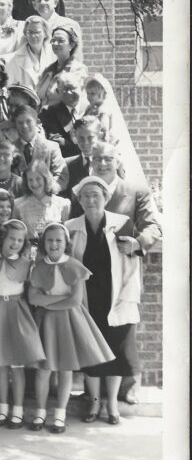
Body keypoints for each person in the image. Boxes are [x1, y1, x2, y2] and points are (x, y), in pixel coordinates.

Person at [67, 177, 144, 425]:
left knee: (115, 353)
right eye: (86, 195)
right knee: (90, 351)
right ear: (79, 200)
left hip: (116, 298)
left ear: (106, 197)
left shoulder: (122, 224)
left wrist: (127, 298)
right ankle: (94, 402)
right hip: (86, 299)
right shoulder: (70, 227)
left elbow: (133, 265)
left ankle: (111, 404)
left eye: (96, 195)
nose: (91, 200)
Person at [28, 223, 114, 434]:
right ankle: (40, 411)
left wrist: (47, 301)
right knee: (43, 370)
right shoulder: (38, 267)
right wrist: (57, 299)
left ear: (66, 243)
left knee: (65, 370)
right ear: (43, 243)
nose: (54, 244)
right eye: (49, 240)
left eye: (58, 240)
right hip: (45, 322)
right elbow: (32, 297)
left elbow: (75, 300)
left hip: (69, 321)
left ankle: (60, 413)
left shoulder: (75, 266)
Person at [0, 219, 45, 428]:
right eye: (11, 238)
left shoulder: (26, 265)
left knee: (17, 367)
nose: (15, 243)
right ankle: (3, 408)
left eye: (20, 240)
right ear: (1, 238)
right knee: (0, 365)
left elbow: (30, 292)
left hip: (17, 315)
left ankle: (18, 410)